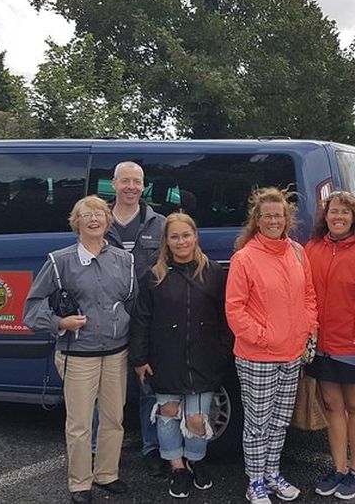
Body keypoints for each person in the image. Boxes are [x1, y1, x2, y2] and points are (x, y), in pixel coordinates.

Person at [24, 195, 137, 504]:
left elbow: (131, 303)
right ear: (76, 222)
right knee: (79, 424)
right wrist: (62, 321)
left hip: (116, 352)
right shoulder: (59, 261)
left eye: (99, 214)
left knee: (114, 418)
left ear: (107, 220)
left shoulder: (124, 260)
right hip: (78, 354)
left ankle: (107, 474)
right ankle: (80, 483)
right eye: (86, 215)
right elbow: (32, 310)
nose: (93, 219)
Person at [225, 187, 318, 504]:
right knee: (257, 425)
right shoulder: (245, 258)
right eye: (267, 216)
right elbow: (234, 310)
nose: (273, 221)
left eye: (279, 215)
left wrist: (306, 328)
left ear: (287, 218)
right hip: (257, 357)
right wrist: (264, 336)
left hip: (292, 354)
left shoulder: (297, 252)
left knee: (279, 423)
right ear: (257, 219)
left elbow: (309, 297)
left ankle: (272, 474)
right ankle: (255, 483)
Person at [129, 212, 229, 499]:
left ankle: (196, 462)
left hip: (203, 359)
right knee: (168, 414)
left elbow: (225, 318)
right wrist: (139, 357)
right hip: (165, 358)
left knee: (197, 418)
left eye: (186, 235)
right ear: (166, 241)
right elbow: (141, 319)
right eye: (174, 236)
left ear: (195, 236)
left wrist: (222, 353)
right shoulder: (154, 275)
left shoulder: (212, 272)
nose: (181, 241)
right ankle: (177, 468)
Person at [304, 191, 355, 500]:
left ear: (354, 218)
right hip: (321, 345)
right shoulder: (311, 249)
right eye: (333, 211)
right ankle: (338, 468)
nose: (338, 217)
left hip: (354, 346)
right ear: (325, 217)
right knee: (333, 407)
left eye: (345, 213)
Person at [104, 161, 167, 478]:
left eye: (137, 181)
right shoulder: (97, 220)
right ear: (113, 184)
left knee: (148, 389)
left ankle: (151, 448)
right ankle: (101, 453)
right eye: (125, 180)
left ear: (144, 186)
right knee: (106, 391)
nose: (131, 186)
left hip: (148, 320)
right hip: (107, 320)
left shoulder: (160, 223)